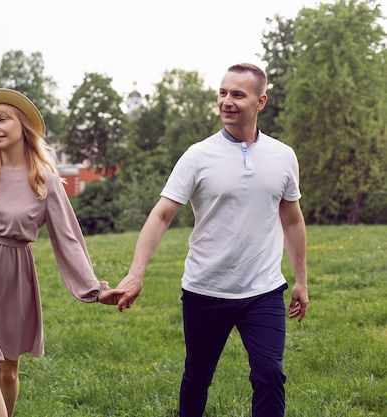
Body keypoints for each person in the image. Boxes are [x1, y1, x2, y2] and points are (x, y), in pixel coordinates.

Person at [116, 63, 309, 417]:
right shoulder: (197, 156)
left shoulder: (283, 156)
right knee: (197, 378)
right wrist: (136, 272)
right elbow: (161, 215)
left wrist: (301, 281)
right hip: (206, 290)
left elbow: (293, 219)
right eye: (223, 93)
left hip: (263, 290)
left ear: (260, 101)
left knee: (269, 376)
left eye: (238, 94)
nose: (226, 101)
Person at [0, 88, 123, 417]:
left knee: (7, 373)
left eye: (2, 119)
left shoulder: (45, 181)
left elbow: (69, 240)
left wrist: (96, 291)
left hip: (14, 278)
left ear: (23, 125)